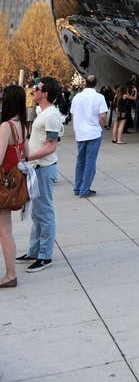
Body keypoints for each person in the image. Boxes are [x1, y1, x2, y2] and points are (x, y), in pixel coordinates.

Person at [17, 77, 63, 272]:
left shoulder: (51, 115)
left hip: (43, 169)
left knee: (44, 213)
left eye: (38, 88)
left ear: (45, 94)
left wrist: (27, 158)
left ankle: (45, 255)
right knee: (37, 213)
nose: (33, 90)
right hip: (37, 169)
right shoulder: (43, 112)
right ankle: (34, 250)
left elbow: (51, 147)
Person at [0, 85, 28, 287]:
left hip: (2, 184)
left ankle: (10, 274)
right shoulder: (23, 125)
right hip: (13, 184)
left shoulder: (5, 127)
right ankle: (10, 272)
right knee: (6, 230)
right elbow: (25, 152)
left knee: (5, 231)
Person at [70, 75, 108, 198]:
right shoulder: (99, 97)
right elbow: (102, 116)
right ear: (96, 84)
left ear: (85, 83)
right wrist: (102, 127)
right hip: (93, 132)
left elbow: (73, 114)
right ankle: (85, 189)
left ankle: (77, 187)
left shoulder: (77, 97)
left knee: (80, 161)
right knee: (90, 162)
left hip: (80, 133)